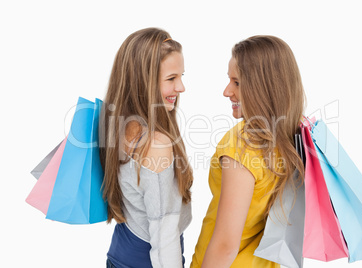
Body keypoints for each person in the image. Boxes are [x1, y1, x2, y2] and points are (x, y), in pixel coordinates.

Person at [190, 35, 305, 267]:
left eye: (237, 83)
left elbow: (225, 244)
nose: (226, 91)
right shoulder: (295, 135)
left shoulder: (242, 146)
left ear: (264, 87)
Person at [99, 28, 193, 268]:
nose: (181, 87)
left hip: (119, 253)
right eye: (171, 78)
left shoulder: (116, 126)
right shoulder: (156, 144)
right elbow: (164, 234)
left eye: (181, 76)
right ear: (145, 82)